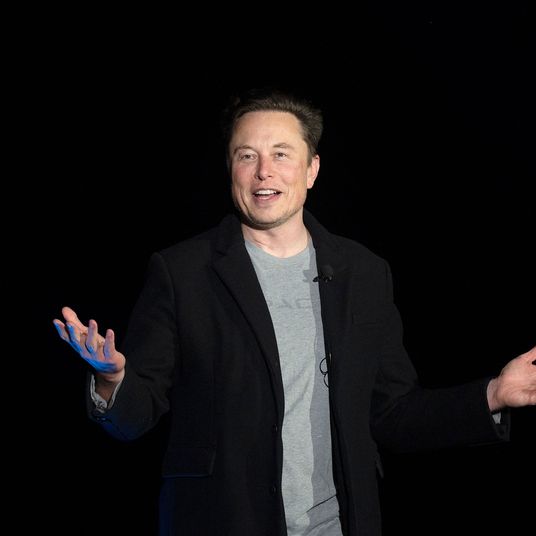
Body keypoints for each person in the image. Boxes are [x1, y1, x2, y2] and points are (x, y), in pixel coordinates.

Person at [53, 87, 536, 536]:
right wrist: (112, 380)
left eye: (281, 154)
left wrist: (491, 395)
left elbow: (393, 413)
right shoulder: (182, 272)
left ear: (311, 170)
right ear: (231, 168)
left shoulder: (364, 273)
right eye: (247, 155)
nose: (264, 171)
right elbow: (136, 417)